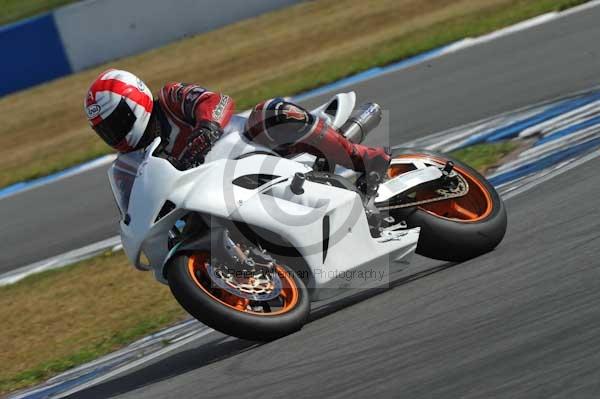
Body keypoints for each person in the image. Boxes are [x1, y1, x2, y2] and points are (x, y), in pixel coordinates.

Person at [84, 69, 390, 179]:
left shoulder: (169, 98)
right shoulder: (133, 162)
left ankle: (359, 157)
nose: (116, 134)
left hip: (256, 150)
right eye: (106, 130)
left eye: (117, 121)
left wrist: (207, 128)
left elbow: (217, 101)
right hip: (220, 189)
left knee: (270, 112)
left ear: (137, 102)